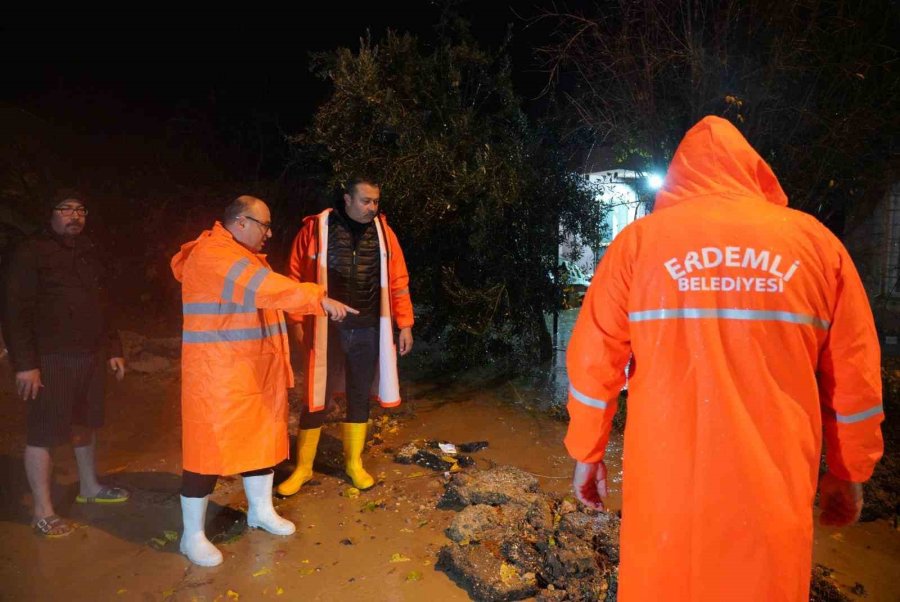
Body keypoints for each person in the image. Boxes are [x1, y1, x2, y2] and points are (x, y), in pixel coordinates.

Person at [565, 116, 884, 601]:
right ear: (755, 173)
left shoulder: (638, 245)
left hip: (666, 493)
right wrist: (848, 470)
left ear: (678, 178)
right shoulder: (817, 247)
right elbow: (855, 377)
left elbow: (593, 364)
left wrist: (587, 454)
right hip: (772, 492)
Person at [170, 195, 356, 567]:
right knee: (207, 453)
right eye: (264, 225)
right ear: (241, 222)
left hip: (254, 373)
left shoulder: (243, 256)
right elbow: (267, 289)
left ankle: (260, 511)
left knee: (261, 442)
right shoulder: (213, 255)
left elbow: (269, 290)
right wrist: (318, 299)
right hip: (218, 377)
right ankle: (191, 536)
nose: (270, 233)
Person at [276, 177, 414, 496]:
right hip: (325, 328)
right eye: (365, 201)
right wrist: (296, 322)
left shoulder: (384, 233)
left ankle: (353, 463)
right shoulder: (315, 229)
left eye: (376, 202)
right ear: (347, 199)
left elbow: (399, 281)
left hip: (367, 326)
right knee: (316, 397)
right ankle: (303, 468)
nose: (372, 208)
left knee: (359, 394)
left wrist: (405, 324)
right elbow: (294, 277)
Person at [4, 190, 128, 538]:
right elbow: (14, 312)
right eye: (66, 209)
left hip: (89, 355)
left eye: (80, 209)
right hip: (49, 358)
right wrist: (25, 364)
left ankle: (90, 486)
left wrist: (114, 347)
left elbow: (104, 303)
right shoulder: (30, 252)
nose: (75, 216)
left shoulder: (88, 251)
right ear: (51, 214)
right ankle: (42, 512)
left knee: (84, 423)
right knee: (43, 433)